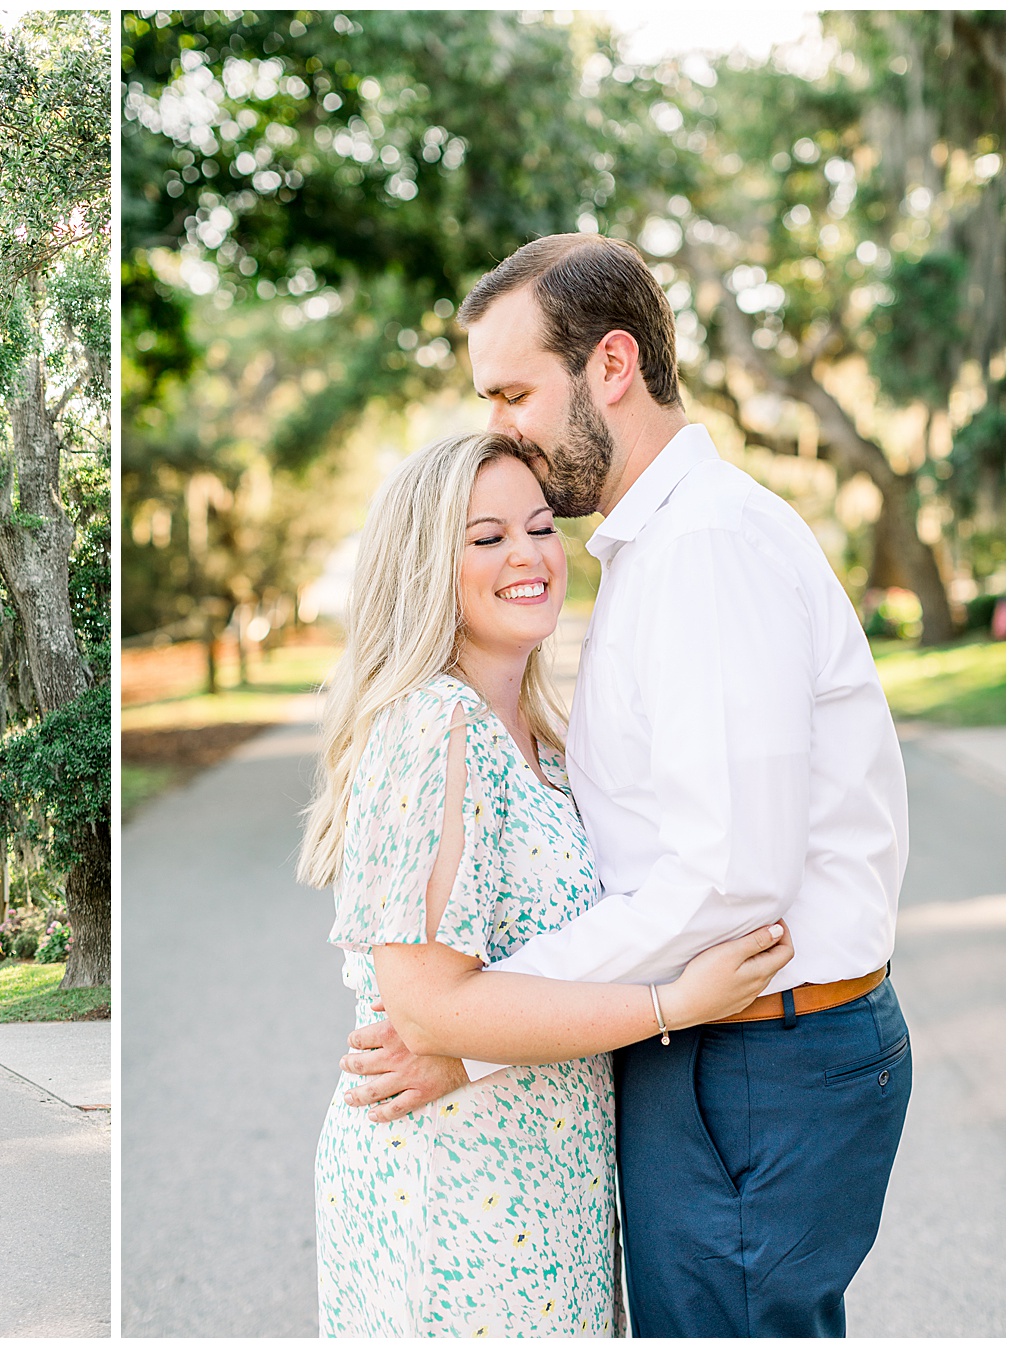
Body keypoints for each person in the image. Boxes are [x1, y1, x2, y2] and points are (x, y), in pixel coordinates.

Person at [337, 234, 911, 1337]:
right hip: (713, 1044)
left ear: (611, 366)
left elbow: (724, 880)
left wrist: (467, 1027)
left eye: (514, 390)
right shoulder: (654, 549)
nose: (499, 424)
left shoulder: (706, 549)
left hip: (758, 1056)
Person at [300, 430, 795, 1337]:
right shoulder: (431, 727)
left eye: (538, 528)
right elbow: (428, 1011)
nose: (529, 556)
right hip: (456, 1184)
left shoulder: (552, 751)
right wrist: (671, 1003)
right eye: (486, 538)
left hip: (547, 1176)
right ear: (425, 565)